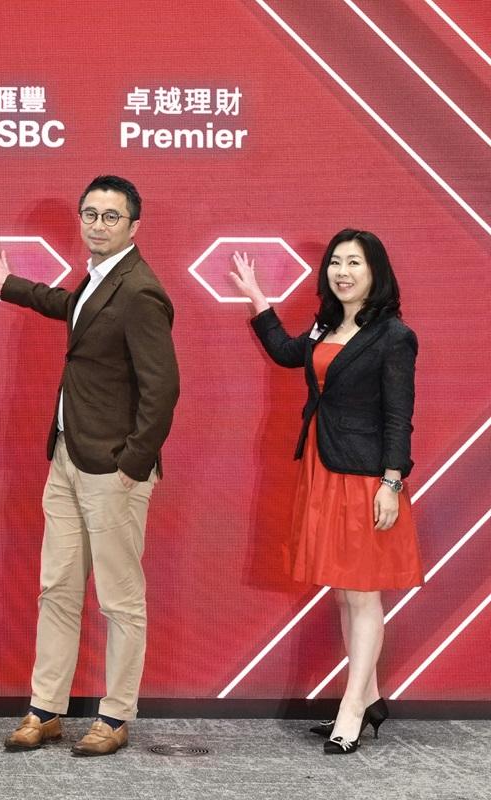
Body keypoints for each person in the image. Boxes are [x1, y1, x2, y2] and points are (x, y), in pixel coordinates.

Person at [0, 175, 179, 756]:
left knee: (120, 600)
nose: (97, 224)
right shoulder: (98, 278)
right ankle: (46, 709)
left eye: (111, 216)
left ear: (134, 226)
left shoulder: (141, 290)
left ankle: (114, 716)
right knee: (58, 588)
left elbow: (163, 388)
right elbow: (75, 310)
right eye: (90, 213)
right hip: (67, 456)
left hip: (113, 469)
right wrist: (12, 287)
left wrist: (133, 462)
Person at [229, 230, 423, 755]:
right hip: (323, 465)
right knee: (343, 590)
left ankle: (352, 709)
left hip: (364, 475)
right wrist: (258, 299)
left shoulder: (394, 336)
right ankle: (370, 697)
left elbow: (398, 416)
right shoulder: (325, 325)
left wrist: (391, 482)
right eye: (336, 262)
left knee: (363, 592)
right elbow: (286, 354)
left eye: (354, 263)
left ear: (375, 271)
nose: (342, 272)